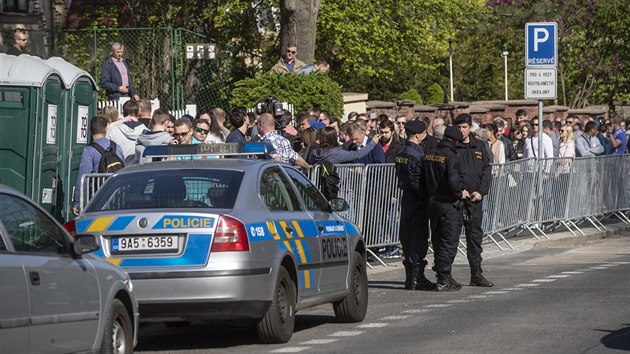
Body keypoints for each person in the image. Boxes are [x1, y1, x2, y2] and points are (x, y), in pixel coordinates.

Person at [422, 126, 468, 291]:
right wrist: (460, 193)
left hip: (433, 202)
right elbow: (453, 182)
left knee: (438, 240)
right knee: (448, 242)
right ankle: (443, 277)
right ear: (455, 141)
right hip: (448, 204)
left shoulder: (429, 154)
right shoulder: (451, 156)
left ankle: (443, 276)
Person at [453, 113, 494, 287]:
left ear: (470, 127)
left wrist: (481, 192)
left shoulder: (479, 146)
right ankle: (445, 274)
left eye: (464, 127)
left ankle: (476, 273)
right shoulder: (452, 146)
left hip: (475, 200)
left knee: (475, 237)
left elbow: (486, 170)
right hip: (457, 199)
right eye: (459, 127)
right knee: (452, 238)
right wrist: (459, 190)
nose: (461, 130)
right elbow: (450, 173)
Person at [395, 120, 434, 291]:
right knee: (418, 238)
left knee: (407, 237)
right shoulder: (417, 154)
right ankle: (417, 278)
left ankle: (410, 278)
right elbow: (418, 180)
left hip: (407, 199)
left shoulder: (400, 151)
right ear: (418, 134)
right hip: (417, 200)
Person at [72, 116, 124, 216]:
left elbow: (83, 176)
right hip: (116, 195)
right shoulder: (116, 146)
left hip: (97, 196)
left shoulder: (89, 150)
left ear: (90, 130)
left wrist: (77, 201)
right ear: (105, 129)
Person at [308, 127, 379, 164]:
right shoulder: (337, 153)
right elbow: (358, 154)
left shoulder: (314, 153)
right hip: (335, 187)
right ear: (334, 138)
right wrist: (373, 143)